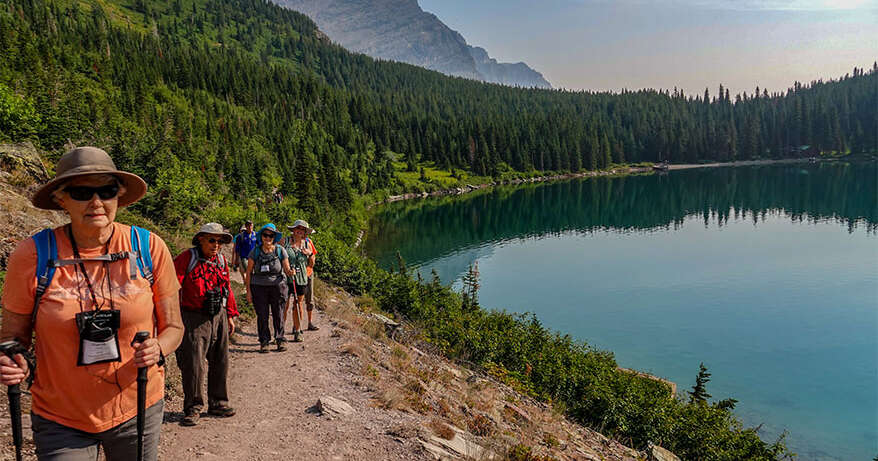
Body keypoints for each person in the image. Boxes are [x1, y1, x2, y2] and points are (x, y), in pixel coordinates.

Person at [0, 147, 183, 461]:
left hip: (138, 404)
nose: (96, 202)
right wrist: (13, 359)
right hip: (60, 416)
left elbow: (174, 327)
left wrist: (159, 348)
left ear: (118, 196)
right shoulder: (32, 255)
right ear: (62, 199)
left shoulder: (148, 247)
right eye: (82, 192)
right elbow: (13, 338)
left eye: (106, 190)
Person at [173, 223, 239, 427]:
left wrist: (229, 315)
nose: (216, 245)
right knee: (194, 363)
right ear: (200, 239)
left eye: (219, 241)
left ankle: (218, 402)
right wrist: (172, 317)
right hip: (193, 317)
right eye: (212, 240)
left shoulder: (220, 260)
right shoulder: (186, 258)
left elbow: (226, 287)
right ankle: (193, 407)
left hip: (218, 314)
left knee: (221, 360)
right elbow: (173, 285)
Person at [244, 224, 292, 353]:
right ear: (261, 236)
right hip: (258, 288)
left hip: (278, 287)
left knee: (279, 313)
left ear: (274, 237)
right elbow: (248, 272)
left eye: (271, 235)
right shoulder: (255, 252)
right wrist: (248, 291)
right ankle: (264, 341)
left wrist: (290, 272)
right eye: (265, 235)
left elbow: (286, 268)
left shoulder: (280, 250)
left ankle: (280, 339)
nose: (268, 238)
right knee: (262, 315)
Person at [284, 220, 318, 342]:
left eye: (302, 229)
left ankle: (297, 331)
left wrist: (309, 255)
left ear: (305, 232)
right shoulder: (285, 241)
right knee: (284, 304)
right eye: (297, 228)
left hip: (301, 278)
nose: (299, 230)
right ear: (293, 229)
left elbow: (312, 263)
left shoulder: (307, 244)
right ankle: (280, 332)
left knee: (298, 304)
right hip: (285, 278)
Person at [232, 220, 257, 294]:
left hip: (254, 258)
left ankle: (249, 287)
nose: (250, 227)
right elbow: (237, 249)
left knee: (251, 273)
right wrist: (236, 260)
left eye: (251, 225)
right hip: (244, 257)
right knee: (248, 272)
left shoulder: (256, 235)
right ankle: (248, 288)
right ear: (246, 227)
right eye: (248, 226)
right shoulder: (240, 237)